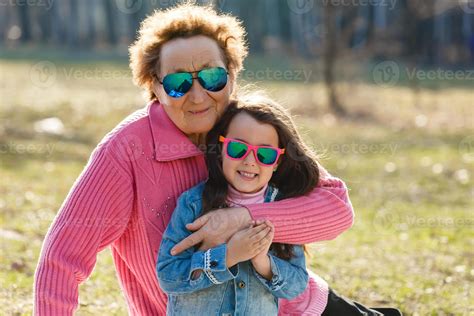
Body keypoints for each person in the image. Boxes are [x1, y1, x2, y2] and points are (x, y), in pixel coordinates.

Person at [34, 4, 356, 315]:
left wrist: (242, 217)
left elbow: (336, 210)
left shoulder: (250, 131)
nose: (198, 96)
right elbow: (62, 258)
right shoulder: (127, 151)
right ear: (155, 88)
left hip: (303, 307)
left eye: (212, 77)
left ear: (232, 75)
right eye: (178, 83)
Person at [158, 95, 402, 316]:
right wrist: (228, 255)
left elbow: (296, 283)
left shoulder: (283, 207)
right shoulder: (193, 204)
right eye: (238, 148)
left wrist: (263, 264)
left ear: (277, 162)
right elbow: (169, 276)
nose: (250, 161)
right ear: (221, 149)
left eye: (265, 155)